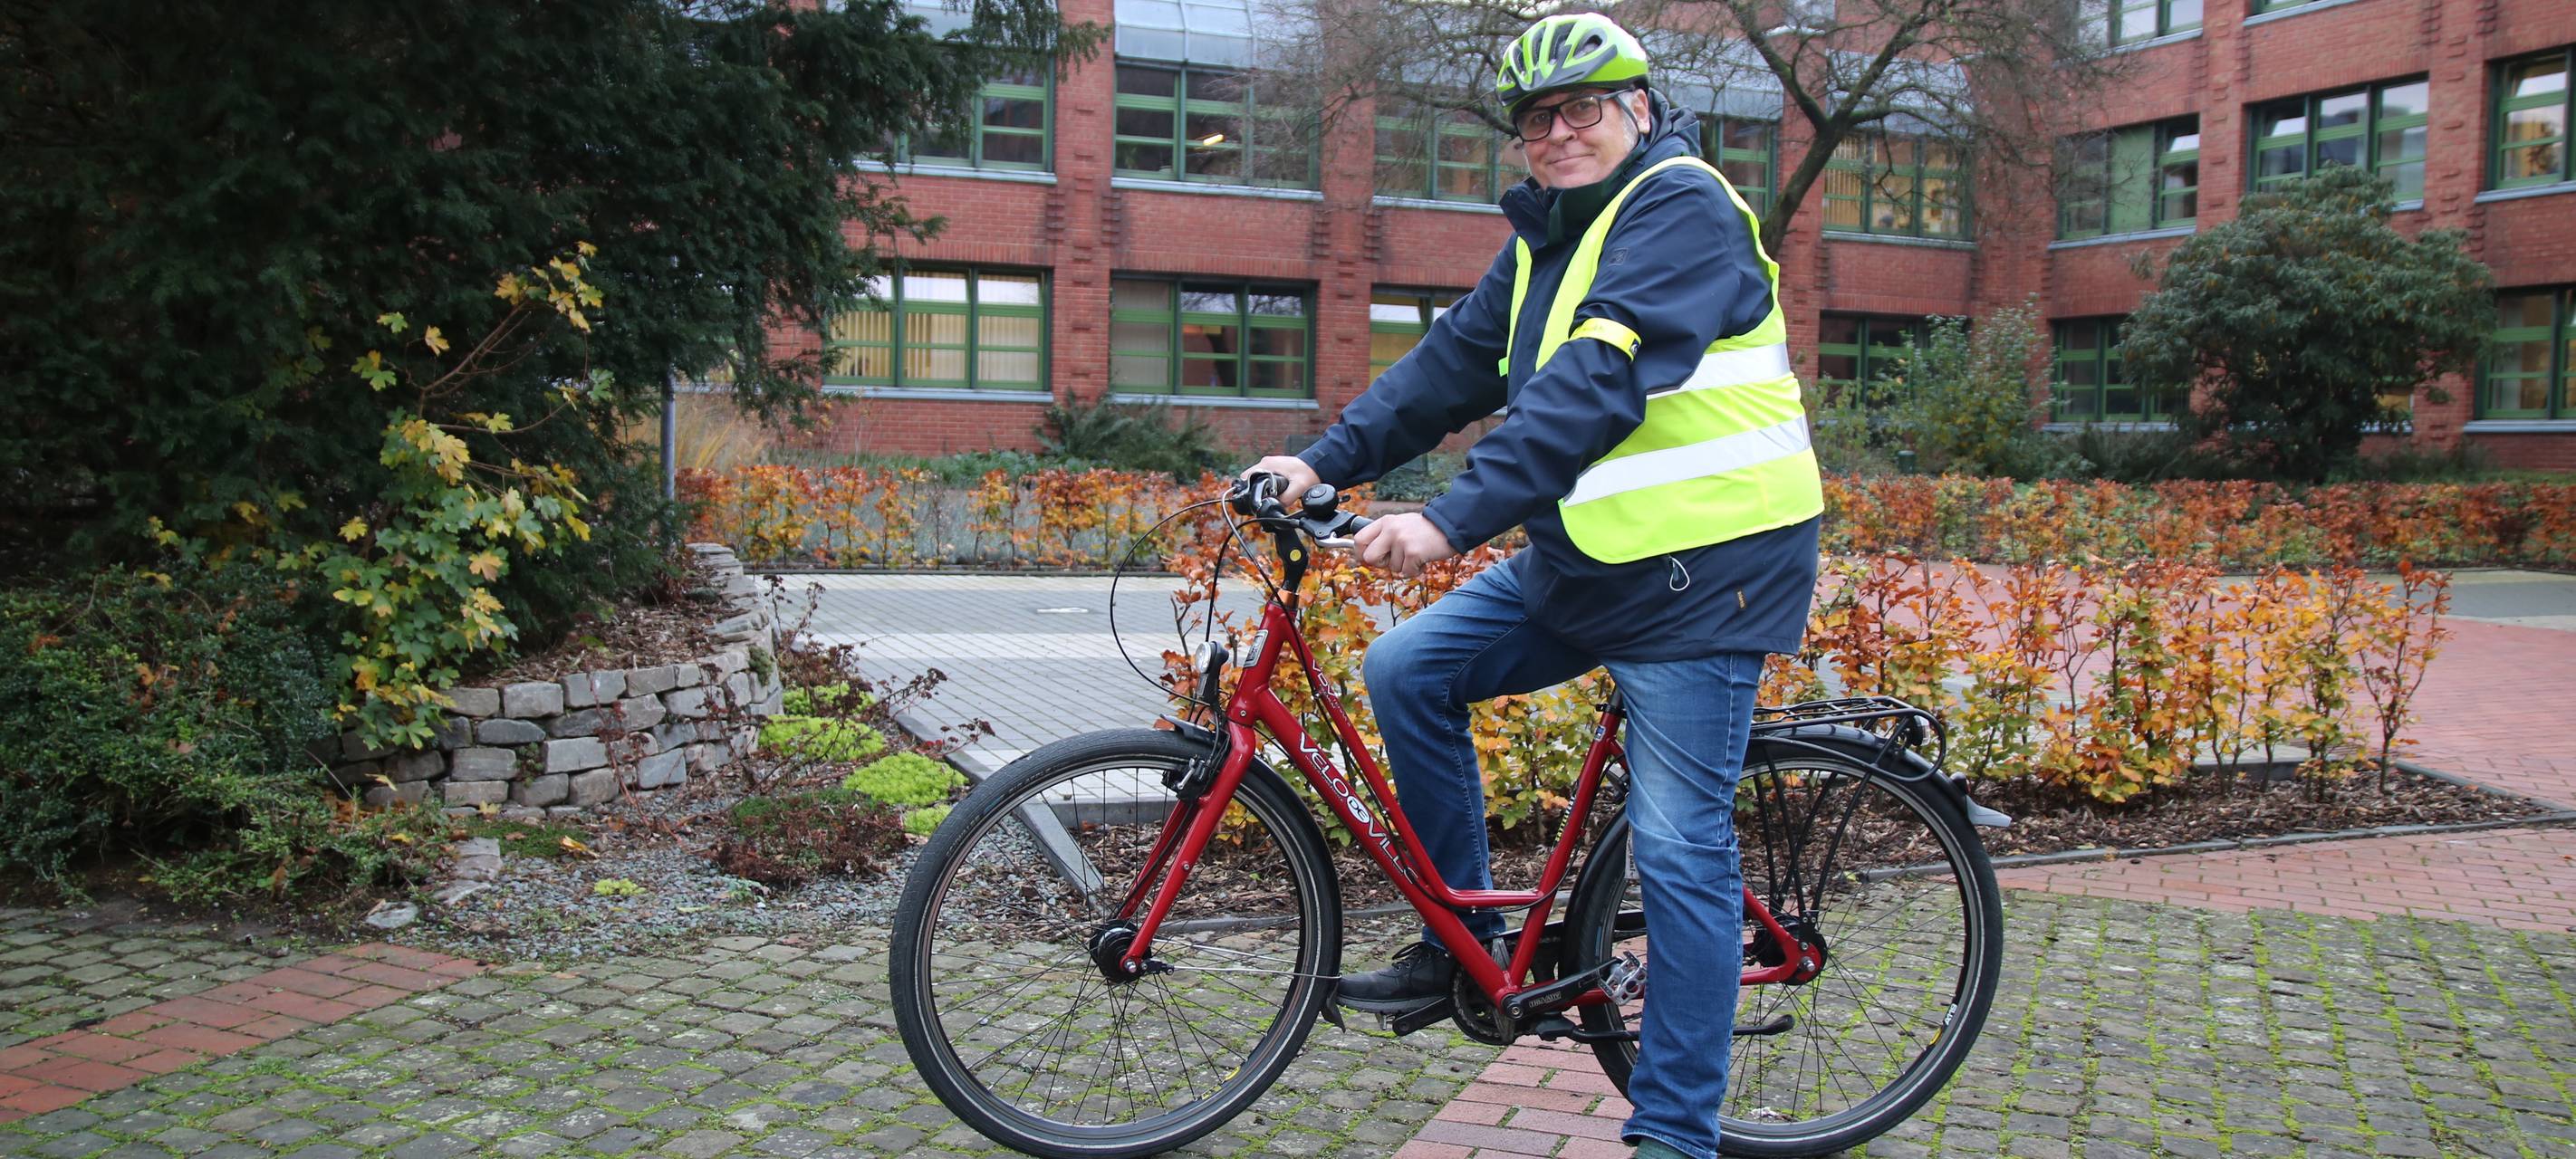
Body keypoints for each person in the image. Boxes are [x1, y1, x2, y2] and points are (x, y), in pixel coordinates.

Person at [1238, 13, 1823, 1159]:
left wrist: (1452, 517)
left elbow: (1595, 383)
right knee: (1410, 666)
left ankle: (1676, 1131)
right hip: (1591, 560)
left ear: (1638, 111)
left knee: (1679, 843)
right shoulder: (1554, 236)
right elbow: (1452, 363)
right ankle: (1457, 942)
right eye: (1537, 120)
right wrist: (1322, 458)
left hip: (1710, 580)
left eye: (1582, 110)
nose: (1557, 134)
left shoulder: (1684, 210)